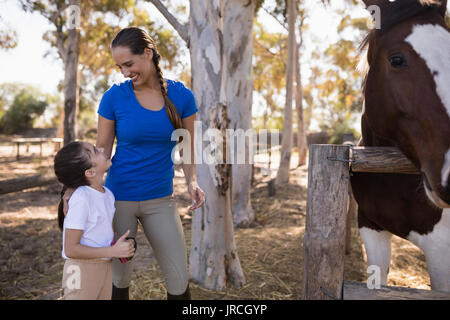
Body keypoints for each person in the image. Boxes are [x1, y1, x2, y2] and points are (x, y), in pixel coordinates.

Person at [96, 27, 205, 300]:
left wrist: (192, 182)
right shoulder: (114, 97)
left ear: (147, 53)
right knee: (119, 280)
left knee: (178, 279)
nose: (124, 72)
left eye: (129, 64)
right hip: (118, 199)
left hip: (161, 200)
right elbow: (101, 152)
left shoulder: (182, 96)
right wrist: (82, 190)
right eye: (119, 66)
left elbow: (187, 146)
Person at [54, 141, 135, 300]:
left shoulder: (108, 195)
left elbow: (103, 234)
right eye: (95, 151)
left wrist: (120, 247)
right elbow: (70, 249)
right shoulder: (81, 198)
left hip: (104, 266)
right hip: (79, 269)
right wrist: (112, 251)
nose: (102, 149)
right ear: (90, 172)